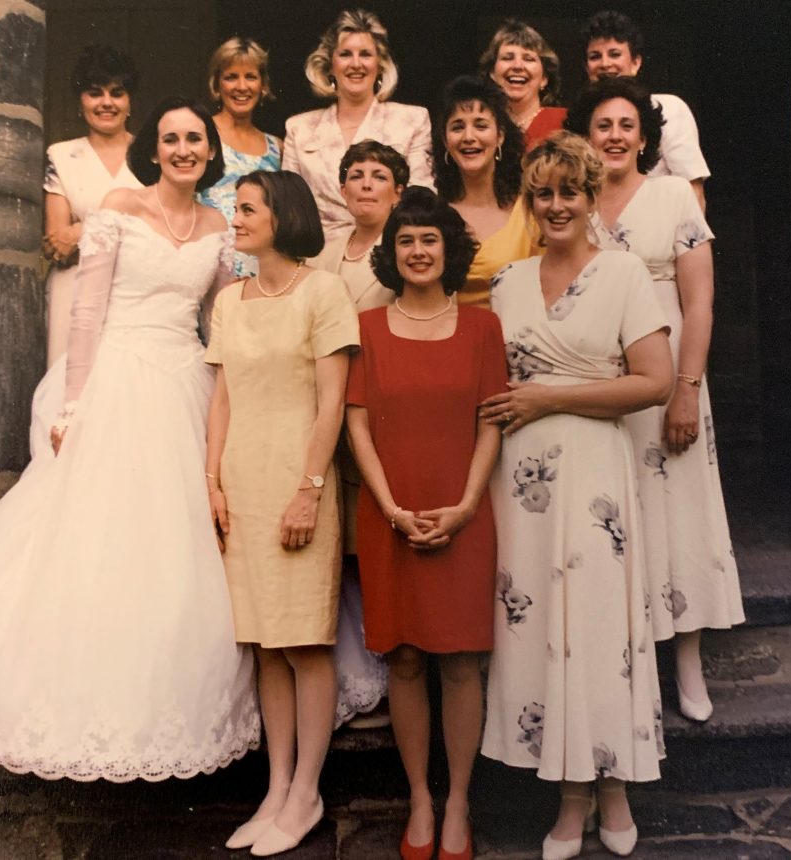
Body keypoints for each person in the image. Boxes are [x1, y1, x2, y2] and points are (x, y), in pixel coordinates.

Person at [0, 97, 260, 782]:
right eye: (170, 138)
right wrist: (75, 401)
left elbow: (221, 315)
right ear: (156, 148)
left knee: (182, 548)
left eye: (193, 138)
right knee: (101, 540)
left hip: (185, 381)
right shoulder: (118, 205)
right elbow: (86, 310)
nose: (181, 149)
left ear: (209, 150)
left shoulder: (217, 224)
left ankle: (178, 706)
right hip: (116, 378)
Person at [479, 132, 674, 859]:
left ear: (593, 199)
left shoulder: (623, 273)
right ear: (531, 202)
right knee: (540, 626)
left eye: (570, 192)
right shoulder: (508, 283)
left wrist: (551, 399)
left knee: (594, 623)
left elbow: (653, 381)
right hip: (524, 484)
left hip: (594, 473)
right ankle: (567, 798)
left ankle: (613, 788)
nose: (556, 205)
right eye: (544, 193)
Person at [565, 78, 744, 722]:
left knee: (678, 510)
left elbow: (699, 302)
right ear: (586, 136)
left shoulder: (673, 196)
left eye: (625, 125)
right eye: (602, 125)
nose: (614, 136)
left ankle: (688, 657)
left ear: (644, 137)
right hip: (597, 377)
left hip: (668, 375)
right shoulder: (571, 205)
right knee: (616, 514)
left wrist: (685, 391)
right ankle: (628, 659)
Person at [347, 186, 506, 860]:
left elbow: (490, 424)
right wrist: (389, 509)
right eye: (405, 240)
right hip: (389, 513)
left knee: (463, 662)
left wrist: (467, 506)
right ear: (392, 252)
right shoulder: (367, 327)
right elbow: (355, 424)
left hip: (462, 510)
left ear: (449, 250)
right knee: (406, 660)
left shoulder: (482, 327)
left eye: (428, 238)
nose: (416, 250)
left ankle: (460, 800)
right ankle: (419, 796)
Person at [205, 170, 358, 856]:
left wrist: (310, 487)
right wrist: (212, 481)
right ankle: (276, 788)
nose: (234, 219)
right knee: (265, 640)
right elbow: (223, 400)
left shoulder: (323, 291)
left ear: (281, 216)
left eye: (245, 210)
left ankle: (307, 791)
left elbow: (332, 403)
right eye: (234, 210)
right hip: (243, 481)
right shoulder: (230, 301)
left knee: (303, 638)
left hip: (301, 482)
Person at [314, 140, 411, 728]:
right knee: (341, 545)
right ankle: (355, 677)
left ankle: (387, 674)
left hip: (383, 408)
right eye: (356, 175)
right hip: (330, 407)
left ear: (398, 189)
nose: (367, 184)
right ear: (343, 190)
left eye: (380, 176)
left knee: (378, 541)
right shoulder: (323, 253)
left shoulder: (406, 248)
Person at [283, 8, 432, 239]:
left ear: (380, 64)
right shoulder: (299, 128)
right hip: (319, 260)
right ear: (330, 65)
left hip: (387, 256)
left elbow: (421, 200)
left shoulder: (413, 120)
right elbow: (289, 210)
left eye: (365, 54)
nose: (356, 64)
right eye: (345, 54)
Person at [42, 44, 143, 367]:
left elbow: (159, 228)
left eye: (117, 93)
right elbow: (58, 242)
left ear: (130, 102)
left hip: (134, 288)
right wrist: (128, 222)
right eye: (94, 93)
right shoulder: (61, 155)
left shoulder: (152, 155)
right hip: (74, 288)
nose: (106, 103)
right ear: (80, 102)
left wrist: (83, 229)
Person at [581, 9, 710, 210]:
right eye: (595, 56)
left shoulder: (668, 109)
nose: (605, 64)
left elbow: (693, 193)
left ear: (635, 63)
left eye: (615, 54)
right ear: (587, 68)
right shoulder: (582, 118)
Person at [433, 76, 534, 309]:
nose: (469, 137)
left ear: (500, 136)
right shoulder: (433, 214)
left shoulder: (529, 211)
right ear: (445, 141)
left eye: (480, 125)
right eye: (458, 126)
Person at [197, 36, 282, 277]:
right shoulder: (200, 135)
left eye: (251, 77)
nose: (241, 87)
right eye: (231, 77)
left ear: (263, 85)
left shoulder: (276, 147)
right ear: (217, 84)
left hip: (262, 272)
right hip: (210, 267)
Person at [479, 18, 567, 151]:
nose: (517, 66)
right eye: (508, 58)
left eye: (528, 59)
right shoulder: (480, 126)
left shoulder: (564, 122)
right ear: (492, 73)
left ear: (544, 78)